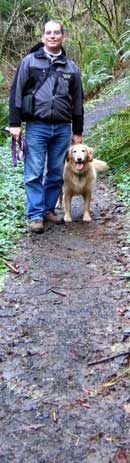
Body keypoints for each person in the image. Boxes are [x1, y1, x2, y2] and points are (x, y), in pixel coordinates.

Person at [9, 19, 84, 233]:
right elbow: (16, 92)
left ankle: (49, 210)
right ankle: (35, 215)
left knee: (55, 173)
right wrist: (15, 123)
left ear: (63, 36)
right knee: (33, 171)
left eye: (56, 32)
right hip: (36, 125)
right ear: (43, 37)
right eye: (48, 33)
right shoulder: (29, 61)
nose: (52, 36)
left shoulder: (71, 67)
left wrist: (77, 131)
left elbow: (78, 101)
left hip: (62, 127)